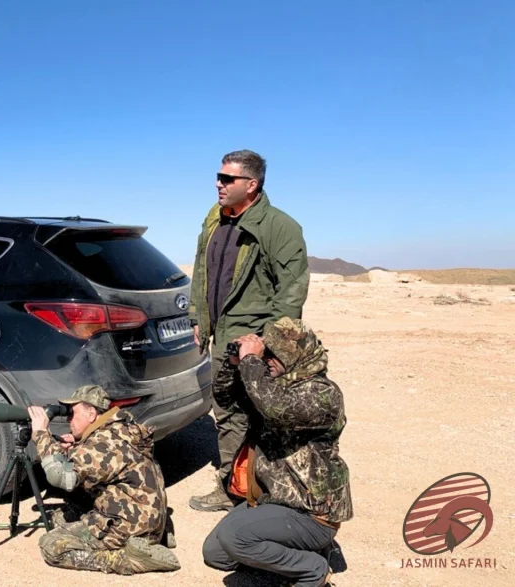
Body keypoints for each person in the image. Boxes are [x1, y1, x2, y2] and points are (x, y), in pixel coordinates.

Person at [187, 149, 310, 512]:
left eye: (227, 179)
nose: (218, 184)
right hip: (221, 337)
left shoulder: (279, 227)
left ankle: (264, 488)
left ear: (252, 185)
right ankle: (233, 485)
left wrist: (270, 344)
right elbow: (202, 275)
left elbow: (291, 292)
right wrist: (199, 319)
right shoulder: (215, 221)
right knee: (226, 411)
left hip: (253, 340)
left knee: (261, 414)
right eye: (219, 177)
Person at [202, 317, 352, 587]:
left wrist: (252, 363)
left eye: (274, 354)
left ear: (295, 356)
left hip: (311, 513)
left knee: (236, 537)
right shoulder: (272, 383)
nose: (266, 358)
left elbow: (276, 408)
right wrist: (234, 364)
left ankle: (312, 568)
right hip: (275, 501)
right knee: (216, 554)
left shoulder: (323, 394)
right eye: (265, 352)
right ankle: (291, 549)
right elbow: (225, 399)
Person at [28, 385, 180, 575]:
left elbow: (61, 477)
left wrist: (41, 433)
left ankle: (125, 559)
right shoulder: (121, 428)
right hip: (149, 519)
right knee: (62, 516)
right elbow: (102, 462)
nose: (68, 420)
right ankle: (154, 537)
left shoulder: (102, 443)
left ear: (91, 414)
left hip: (129, 527)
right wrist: (76, 446)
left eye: (72, 413)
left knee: (52, 546)